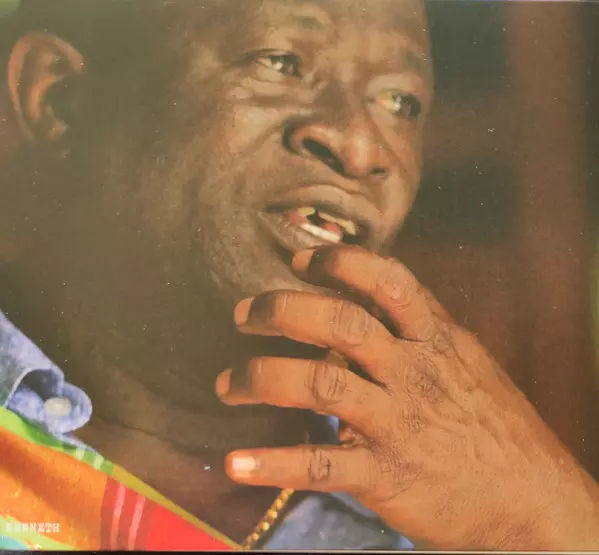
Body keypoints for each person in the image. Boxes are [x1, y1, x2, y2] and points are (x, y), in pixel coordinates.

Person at [0, 0, 598, 550]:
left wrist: (553, 517)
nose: (361, 147)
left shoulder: (453, 520)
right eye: (280, 62)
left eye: (400, 102)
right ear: (59, 99)